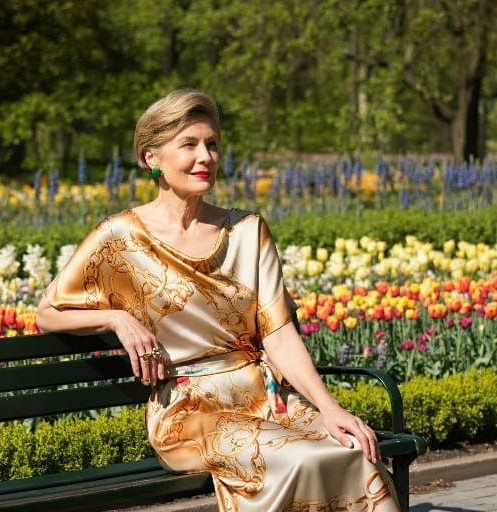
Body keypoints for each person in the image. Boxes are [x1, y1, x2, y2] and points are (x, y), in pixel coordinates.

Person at [36, 89, 400, 512]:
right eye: (188, 145)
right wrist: (118, 318)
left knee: (355, 451)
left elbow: (278, 334)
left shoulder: (248, 230)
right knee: (301, 457)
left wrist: (330, 408)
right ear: (151, 157)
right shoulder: (118, 239)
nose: (205, 156)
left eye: (211, 144)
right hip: (188, 413)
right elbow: (48, 314)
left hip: (267, 398)